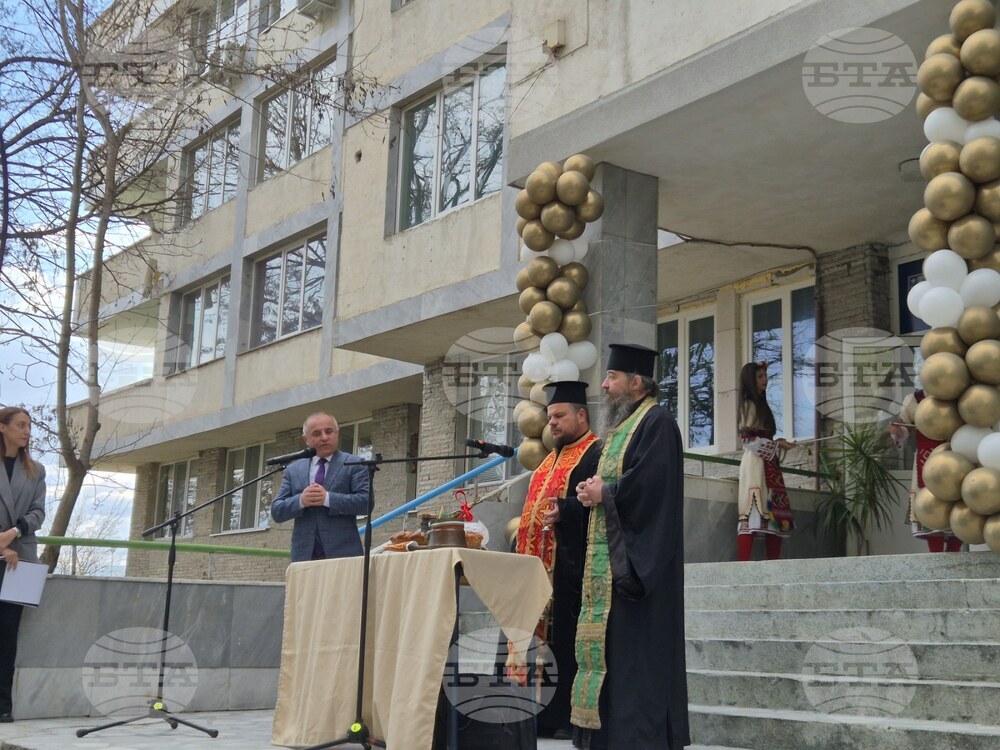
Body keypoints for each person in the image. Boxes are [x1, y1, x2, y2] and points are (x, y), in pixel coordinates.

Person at [572, 344, 690, 750]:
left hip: (639, 571)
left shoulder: (657, 423)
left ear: (636, 382)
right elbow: (616, 485)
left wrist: (609, 492)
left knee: (638, 664)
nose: (604, 386)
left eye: (612, 378)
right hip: (612, 571)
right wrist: (590, 492)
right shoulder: (622, 428)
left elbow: (651, 488)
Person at [511, 381, 601, 740]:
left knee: (562, 645)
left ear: (581, 415)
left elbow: (598, 511)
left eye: (560, 416)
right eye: (550, 418)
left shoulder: (596, 453)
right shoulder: (548, 460)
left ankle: (561, 716)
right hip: (533, 574)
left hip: (568, 572)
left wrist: (566, 511)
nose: (553, 424)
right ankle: (528, 714)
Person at [270, 412, 370, 562]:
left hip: (344, 555)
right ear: (306, 439)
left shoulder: (355, 464)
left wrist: (327, 498)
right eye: (316, 433)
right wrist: (301, 500)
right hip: (304, 557)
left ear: (337, 434)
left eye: (329, 431)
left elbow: (366, 503)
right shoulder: (293, 470)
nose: (324, 437)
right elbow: (277, 511)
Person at [0, 407, 46, 723]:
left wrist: (12, 534)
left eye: (29, 426)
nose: (27, 431)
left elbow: (39, 513)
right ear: (2, 428)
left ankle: (3, 706)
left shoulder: (36, 470)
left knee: (8, 636)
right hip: (5, 555)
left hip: (21, 560)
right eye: (20, 425)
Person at [889, 390, 962, 553]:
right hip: (926, 459)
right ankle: (935, 559)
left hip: (957, 456)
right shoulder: (915, 399)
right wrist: (897, 431)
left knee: (959, 506)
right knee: (929, 505)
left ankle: (955, 557)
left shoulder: (960, 392)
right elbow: (904, 426)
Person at [737, 362, 795, 562]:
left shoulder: (760, 405)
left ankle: (773, 567)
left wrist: (778, 443)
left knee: (773, 518)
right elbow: (747, 440)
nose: (765, 380)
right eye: (760, 377)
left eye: (765, 376)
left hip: (768, 463)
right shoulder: (748, 404)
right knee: (753, 514)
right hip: (755, 465)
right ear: (751, 381)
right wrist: (775, 446)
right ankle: (743, 568)